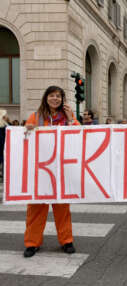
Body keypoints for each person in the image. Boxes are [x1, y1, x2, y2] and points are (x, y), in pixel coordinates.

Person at [23, 85, 80, 258]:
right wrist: (28, 130)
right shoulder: (36, 117)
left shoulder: (68, 117)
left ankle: (67, 240)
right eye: (52, 95)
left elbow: (78, 136)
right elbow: (23, 140)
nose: (55, 98)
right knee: (36, 209)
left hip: (61, 169)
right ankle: (32, 243)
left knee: (62, 208)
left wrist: (71, 119)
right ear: (46, 97)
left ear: (62, 100)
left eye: (58, 96)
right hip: (41, 171)